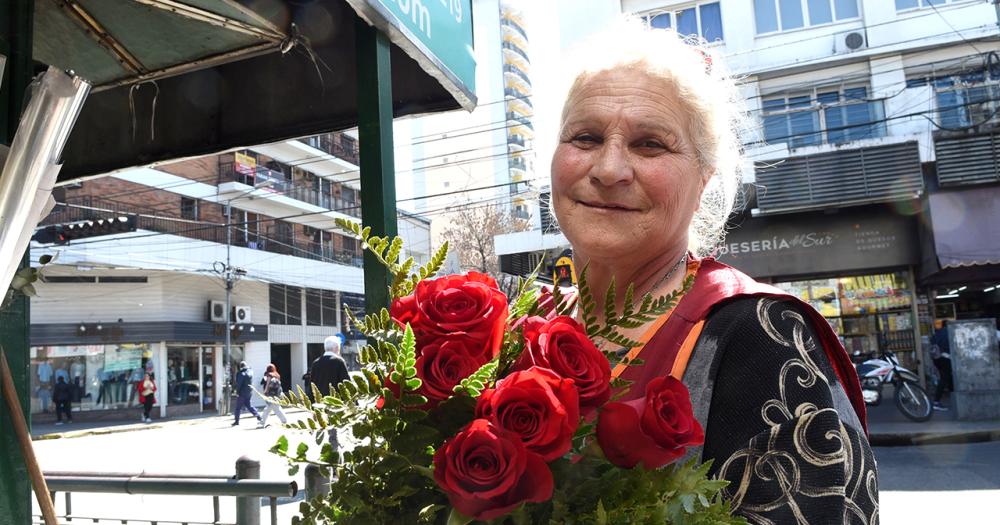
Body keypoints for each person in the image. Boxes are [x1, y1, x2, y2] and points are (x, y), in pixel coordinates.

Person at [549, 21, 876, 522]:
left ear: (703, 180)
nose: (609, 168)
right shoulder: (519, 331)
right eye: (586, 137)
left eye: (650, 144)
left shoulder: (761, 335)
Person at [309, 335, 350, 449]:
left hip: (320, 402)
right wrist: (353, 402)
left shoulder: (316, 363)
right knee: (334, 428)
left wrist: (312, 405)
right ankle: (334, 451)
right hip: (335, 402)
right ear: (337, 348)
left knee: (327, 427)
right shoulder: (338, 361)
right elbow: (346, 383)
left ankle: (332, 447)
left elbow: (312, 384)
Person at [931, 321, 953, 411]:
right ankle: (936, 402)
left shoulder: (937, 333)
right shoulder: (950, 332)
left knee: (948, 377)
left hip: (937, 358)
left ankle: (954, 397)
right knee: (944, 378)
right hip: (946, 357)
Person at [258, 364, 288, 428]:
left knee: (276, 409)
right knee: (268, 409)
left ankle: (284, 421)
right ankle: (262, 421)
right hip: (277, 394)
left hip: (271, 395)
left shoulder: (269, 375)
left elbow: (268, 384)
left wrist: (265, 391)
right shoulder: (277, 375)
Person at [232, 361, 261, 426]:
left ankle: (236, 421)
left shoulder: (240, 373)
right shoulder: (250, 372)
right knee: (249, 405)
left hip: (242, 393)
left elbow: (239, 384)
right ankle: (258, 416)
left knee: (238, 408)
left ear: (240, 367)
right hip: (249, 392)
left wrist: (237, 392)